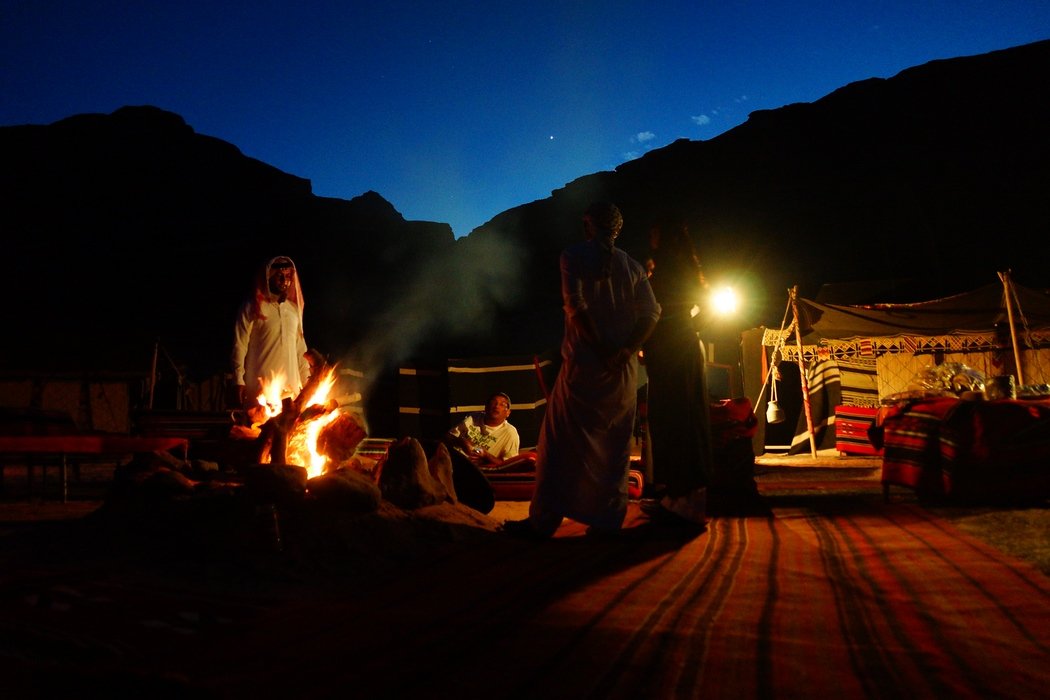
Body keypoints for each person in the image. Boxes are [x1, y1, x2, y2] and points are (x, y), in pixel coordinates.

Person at [503, 201, 661, 539]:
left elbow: (577, 308)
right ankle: (605, 520)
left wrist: (604, 350)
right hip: (621, 371)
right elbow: (651, 314)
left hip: (585, 366)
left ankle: (545, 520)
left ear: (588, 225)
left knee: (559, 443)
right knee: (612, 445)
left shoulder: (572, 256)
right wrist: (625, 351)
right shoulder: (632, 267)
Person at [641, 218, 714, 525]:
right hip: (670, 351)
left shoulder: (673, 271)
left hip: (676, 352)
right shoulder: (671, 268)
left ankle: (688, 503)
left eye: (656, 232)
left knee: (680, 420)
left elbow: (696, 310)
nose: (652, 237)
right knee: (668, 420)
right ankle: (674, 496)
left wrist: (681, 333)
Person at [231, 255, 311, 409]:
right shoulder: (253, 307)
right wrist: (238, 380)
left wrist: (307, 386)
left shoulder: (293, 310)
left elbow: (301, 350)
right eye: (279, 275)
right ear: (268, 277)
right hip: (261, 392)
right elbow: (239, 345)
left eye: (288, 276)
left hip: (292, 394)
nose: (284, 280)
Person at [444, 391, 521, 468]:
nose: (496, 406)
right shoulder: (473, 417)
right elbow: (448, 436)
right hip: (451, 460)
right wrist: (462, 442)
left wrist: (486, 456)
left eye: (502, 405)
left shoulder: (510, 433)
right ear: (486, 407)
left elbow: (509, 464)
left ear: (508, 412)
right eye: (493, 402)